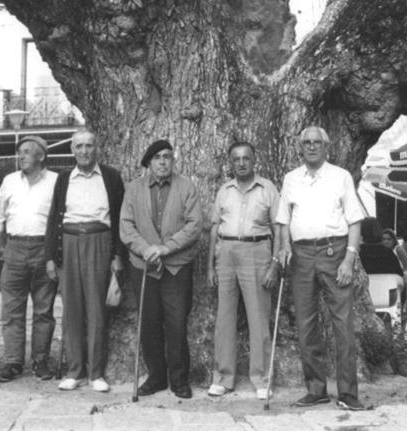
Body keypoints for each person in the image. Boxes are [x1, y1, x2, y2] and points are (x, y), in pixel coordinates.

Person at [276, 126, 365, 411]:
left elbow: (354, 220)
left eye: (317, 142)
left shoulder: (341, 176)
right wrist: (284, 246)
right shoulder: (291, 179)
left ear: (327, 147)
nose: (312, 147)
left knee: (342, 324)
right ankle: (316, 389)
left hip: (334, 251)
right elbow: (282, 220)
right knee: (306, 324)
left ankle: (348, 393)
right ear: (300, 148)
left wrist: (349, 259)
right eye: (306, 143)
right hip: (301, 255)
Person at [120, 140, 202, 399]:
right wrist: (145, 249)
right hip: (143, 266)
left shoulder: (186, 187)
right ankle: (156, 377)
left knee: (176, 324)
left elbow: (194, 224)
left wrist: (166, 249)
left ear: (172, 160)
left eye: (167, 156)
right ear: (148, 163)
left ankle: (179, 379)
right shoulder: (133, 189)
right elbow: (126, 225)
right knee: (149, 323)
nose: (163, 161)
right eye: (157, 158)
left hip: (176, 267)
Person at [44, 129, 125, 392]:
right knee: (72, 310)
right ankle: (75, 371)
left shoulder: (111, 177)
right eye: (79, 146)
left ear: (96, 148)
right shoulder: (65, 178)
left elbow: (121, 220)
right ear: (72, 150)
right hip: (69, 242)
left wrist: (118, 256)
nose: (84, 151)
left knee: (97, 310)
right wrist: (50, 257)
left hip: (99, 241)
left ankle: (96, 374)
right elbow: (53, 217)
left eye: (89, 145)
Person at [207, 141, 280, 400]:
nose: (241, 163)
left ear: (254, 160)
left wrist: (275, 263)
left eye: (246, 158)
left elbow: (279, 228)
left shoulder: (267, 188)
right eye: (236, 158)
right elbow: (214, 229)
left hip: (257, 250)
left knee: (258, 317)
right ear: (230, 162)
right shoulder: (224, 191)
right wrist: (210, 266)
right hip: (226, 252)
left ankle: (261, 379)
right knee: (224, 318)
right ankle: (222, 377)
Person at [0, 136, 59, 383]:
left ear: (41, 156)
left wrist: (55, 254)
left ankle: (40, 360)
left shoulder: (55, 181)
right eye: (20, 152)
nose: (22, 156)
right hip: (15, 247)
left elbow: (60, 218)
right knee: (12, 310)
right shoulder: (10, 181)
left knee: (43, 309)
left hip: (44, 248)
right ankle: (13, 362)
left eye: (27, 152)